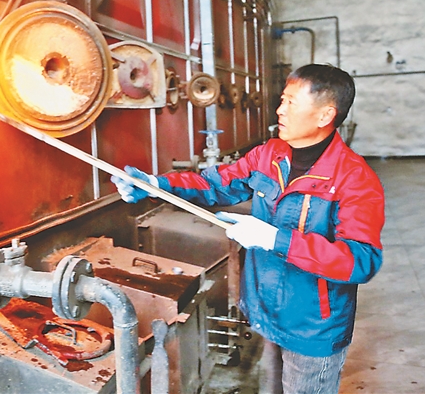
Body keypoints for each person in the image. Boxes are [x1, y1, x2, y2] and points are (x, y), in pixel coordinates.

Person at [111, 64, 384, 394]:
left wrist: (275, 239)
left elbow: (360, 261)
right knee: (271, 387)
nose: (280, 110)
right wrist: (155, 185)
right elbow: (214, 184)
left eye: (291, 102)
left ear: (325, 115)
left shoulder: (354, 179)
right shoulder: (270, 155)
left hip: (313, 327)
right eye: (281, 100)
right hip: (266, 312)